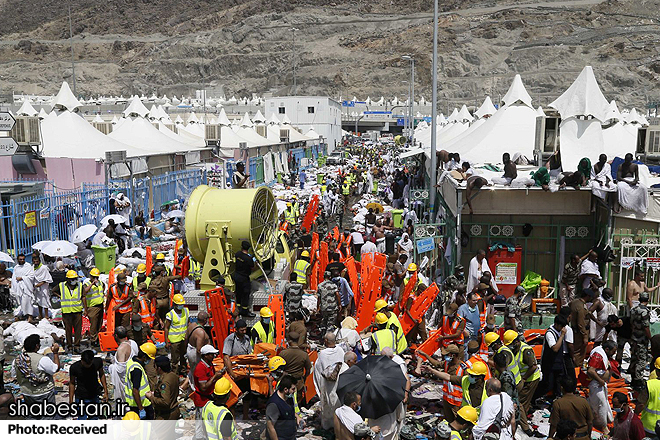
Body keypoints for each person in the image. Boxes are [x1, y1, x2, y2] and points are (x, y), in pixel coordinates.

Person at [14, 334, 60, 414]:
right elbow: (55, 369)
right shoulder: (42, 359)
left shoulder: (18, 360)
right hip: (44, 393)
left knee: (32, 415)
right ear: (37, 346)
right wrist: (55, 353)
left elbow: (14, 374)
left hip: (27, 393)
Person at [507, 331, 540, 436]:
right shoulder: (515, 350)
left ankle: (524, 424)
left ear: (517, 342)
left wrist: (524, 379)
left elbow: (533, 366)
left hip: (530, 379)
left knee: (520, 402)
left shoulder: (526, 351)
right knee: (523, 401)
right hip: (522, 379)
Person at [314, 333, 347, 430]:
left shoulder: (323, 354)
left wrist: (319, 386)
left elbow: (318, 370)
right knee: (338, 403)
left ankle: (328, 426)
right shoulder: (340, 351)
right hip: (339, 382)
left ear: (326, 341)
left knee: (327, 405)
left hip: (327, 384)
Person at [222, 319, 253, 420]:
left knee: (247, 394)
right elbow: (226, 357)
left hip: (244, 371)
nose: (244, 332)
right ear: (236, 330)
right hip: (234, 371)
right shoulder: (230, 340)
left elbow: (250, 355)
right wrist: (231, 373)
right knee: (233, 396)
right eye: (242, 330)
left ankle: (245, 416)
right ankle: (233, 419)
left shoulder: (247, 338)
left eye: (245, 330)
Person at [536, 314, 572, 401]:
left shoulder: (559, 331)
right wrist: (562, 335)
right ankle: (536, 398)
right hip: (549, 364)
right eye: (561, 326)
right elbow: (555, 348)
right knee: (548, 384)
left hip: (558, 363)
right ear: (556, 324)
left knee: (558, 383)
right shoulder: (550, 334)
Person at [192, 344, 224, 439]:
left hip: (208, 399)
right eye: (211, 354)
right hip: (202, 400)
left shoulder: (209, 365)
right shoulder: (200, 368)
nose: (214, 356)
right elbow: (203, 388)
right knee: (200, 424)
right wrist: (215, 377)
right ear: (205, 355)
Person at [586, 340, 617, 435]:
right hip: (596, 385)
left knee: (602, 403)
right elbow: (590, 371)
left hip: (600, 384)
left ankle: (603, 421)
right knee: (601, 405)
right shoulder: (597, 355)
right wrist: (600, 381)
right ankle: (603, 427)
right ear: (607, 349)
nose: (614, 353)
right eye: (613, 351)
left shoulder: (602, 353)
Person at [69, 349, 108, 418]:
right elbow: (72, 383)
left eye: (89, 364)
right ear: (82, 360)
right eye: (85, 364)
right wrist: (71, 400)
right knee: (82, 419)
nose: (87, 366)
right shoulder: (74, 367)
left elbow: (101, 374)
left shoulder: (98, 362)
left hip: (94, 394)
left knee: (94, 417)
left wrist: (105, 392)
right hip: (81, 396)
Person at [125, 342, 157, 419]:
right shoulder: (136, 370)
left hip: (136, 403)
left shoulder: (131, 361)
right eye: (149, 358)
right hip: (141, 404)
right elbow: (135, 391)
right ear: (144, 357)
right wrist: (141, 409)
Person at [280, 332, 312, 401]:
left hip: (286, 382)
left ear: (289, 340)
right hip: (298, 383)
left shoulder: (283, 353)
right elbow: (308, 369)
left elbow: (278, 368)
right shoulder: (304, 355)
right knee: (297, 403)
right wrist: (304, 378)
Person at [108, 326, 137, 403]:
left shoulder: (121, 349)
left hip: (125, 381)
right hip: (134, 375)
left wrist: (112, 366)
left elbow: (120, 369)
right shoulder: (133, 343)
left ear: (116, 336)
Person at [60, 270, 86, 354]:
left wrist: (86, 309)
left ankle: (77, 345)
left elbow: (83, 297)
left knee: (78, 330)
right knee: (68, 330)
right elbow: (54, 291)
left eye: (75, 278)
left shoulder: (80, 286)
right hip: (66, 312)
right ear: (67, 279)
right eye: (72, 279)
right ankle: (70, 346)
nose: (74, 280)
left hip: (77, 311)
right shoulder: (61, 286)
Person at [630, 292, 652, 390]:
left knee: (634, 358)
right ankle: (638, 381)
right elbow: (646, 327)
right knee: (642, 360)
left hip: (634, 337)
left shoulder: (633, 309)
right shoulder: (645, 311)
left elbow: (631, 323)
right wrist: (650, 338)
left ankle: (633, 379)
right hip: (642, 339)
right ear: (647, 300)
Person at [266, 375, 298, 440]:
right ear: (285, 389)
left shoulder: (288, 397)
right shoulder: (274, 404)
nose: (295, 391)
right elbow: (270, 427)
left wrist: (298, 417)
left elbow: (289, 411)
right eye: (293, 389)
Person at [164, 293, 189, 375]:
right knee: (175, 359)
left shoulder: (186, 311)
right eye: (179, 304)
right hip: (174, 340)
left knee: (183, 356)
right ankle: (175, 373)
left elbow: (187, 324)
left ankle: (183, 370)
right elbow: (166, 328)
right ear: (174, 304)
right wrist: (166, 342)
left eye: (182, 304)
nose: (181, 306)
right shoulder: (170, 314)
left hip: (183, 339)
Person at [186, 311, 211, 391]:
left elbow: (186, 338)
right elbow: (199, 349)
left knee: (192, 371)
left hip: (189, 350)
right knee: (196, 373)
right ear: (205, 320)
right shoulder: (200, 332)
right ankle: (195, 390)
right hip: (195, 355)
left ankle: (184, 387)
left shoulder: (191, 325)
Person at [83, 267, 105, 348]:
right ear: (90, 276)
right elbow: (84, 292)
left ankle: (97, 339)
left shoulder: (100, 283)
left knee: (99, 323)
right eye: (94, 277)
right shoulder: (87, 284)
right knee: (93, 324)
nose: (96, 279)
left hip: (100, 305)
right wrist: (92, 284)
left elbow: (103, 288)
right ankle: (93, 340)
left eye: (97, 277)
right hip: (92, 307)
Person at [570, 289, 591, 367]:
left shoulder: (574, 302)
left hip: (574, 330)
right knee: (580, 352)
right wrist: (585, 336)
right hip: (580, 332)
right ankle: (577, 367)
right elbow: (581, 323)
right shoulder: (581, 307)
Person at [234, 240, 255, 317]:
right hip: (244, 278)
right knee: (245, 294)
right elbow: (252, 267)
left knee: (238, 293)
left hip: (237, 276)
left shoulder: (237, 254)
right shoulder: (248, 259)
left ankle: (238, 309)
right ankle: (245, 311)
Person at [11, 254, 35, 322]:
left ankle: (30, 316)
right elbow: (14, 278)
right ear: (17, 260)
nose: (22, 260)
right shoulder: (16, 267)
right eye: (20, 259)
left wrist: (22, 278)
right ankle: (25, 315)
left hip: (27, 287)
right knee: (22, 303)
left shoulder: (28, 266)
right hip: (19, 288)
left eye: (23, 259)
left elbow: (31, 276)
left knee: (28, 302)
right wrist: (14, 286)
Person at [31, 253, 52, 320]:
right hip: (36, 288)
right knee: (38, 301)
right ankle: (40, 315)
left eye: (37, 261)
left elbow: (48, 279)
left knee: (45, 301)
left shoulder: (43, 268)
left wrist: (40, 284)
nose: (36, 263)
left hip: (43, 287)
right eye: (34, 262)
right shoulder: (32, 268)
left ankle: (46, 316)